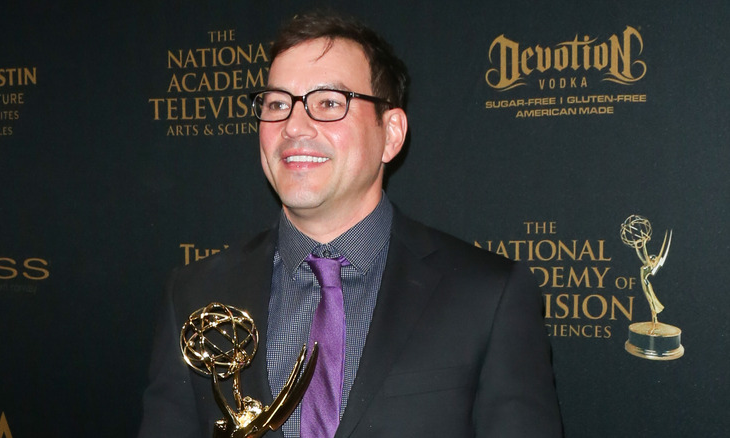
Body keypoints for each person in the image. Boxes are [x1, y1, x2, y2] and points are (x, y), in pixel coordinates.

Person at [139, 10, 563, 438]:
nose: (294, 126)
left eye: (328, 102)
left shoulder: (489, 296)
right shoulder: (194, 294)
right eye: (277, 103)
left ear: (391, 133)